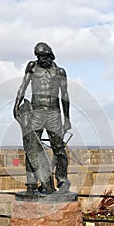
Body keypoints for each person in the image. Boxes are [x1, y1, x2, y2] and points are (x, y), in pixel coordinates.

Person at [13, 42, 71, 194]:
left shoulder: (60, 72)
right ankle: (31, 183)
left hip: (54, 113)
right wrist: (16, 105)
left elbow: (65, 95)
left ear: (50, 55)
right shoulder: (32, 66)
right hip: (36, 112)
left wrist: (67, 119)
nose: (41, 59)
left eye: (43, 56)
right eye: (38, 56)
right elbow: (22, 87)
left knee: (59, 149)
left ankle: (62, 180)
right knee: (32, 148)